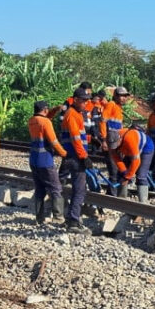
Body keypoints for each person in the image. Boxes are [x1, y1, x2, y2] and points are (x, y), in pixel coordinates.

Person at [28, 100, 69, 226]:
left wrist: (55, 109)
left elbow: (46, 117)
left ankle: (39, 218)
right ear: (45, 110)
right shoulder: (46, 122)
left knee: (39, 189)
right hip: (45, 160)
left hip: (33, 160)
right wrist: (64, 154)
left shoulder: (32, 120)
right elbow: (54, 141)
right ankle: (58, 218)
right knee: (56, 188)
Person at [58, 89, 92, 234]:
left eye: (87, 101)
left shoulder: (76, 114)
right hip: (75, 157)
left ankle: (70, 218)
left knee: (77, 189)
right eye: (83, 100)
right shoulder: (72, 115)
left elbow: (80, 138)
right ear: (76, 100)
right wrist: (84, 157)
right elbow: (75, 139)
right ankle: (73, 221)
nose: (86, 103)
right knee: (79, 190)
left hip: (73, 156)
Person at [107, 126, 154, 203]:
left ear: (120, 139)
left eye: (116, 145)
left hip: (146, 148)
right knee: (121, 174)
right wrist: (124, 172)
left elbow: (136, 161)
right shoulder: (110, 140)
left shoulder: (129, 139)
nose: (114, 147)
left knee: (141, 175)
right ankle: (121, 200)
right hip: (130, 150)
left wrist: (128, 177)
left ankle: (143, 202)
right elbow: (116, 158)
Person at [99, 86, 131, 194]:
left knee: (117, 169)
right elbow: (102, 121)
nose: (124, 98)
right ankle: (112, 196)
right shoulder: (111, 105)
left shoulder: (118, 108)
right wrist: (104, 140)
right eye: (122, 96)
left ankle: (114, 193)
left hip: (116, 143)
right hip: (110, 142)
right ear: (116, 96)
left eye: (125, 96)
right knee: (113, 170)